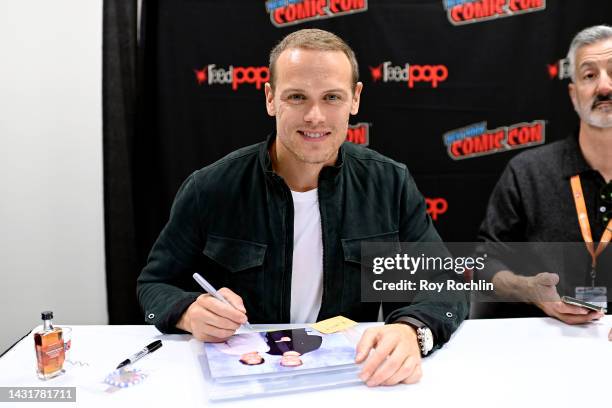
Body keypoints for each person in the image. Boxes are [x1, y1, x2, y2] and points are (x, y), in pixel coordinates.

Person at [137, 28, 468, 386]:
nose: (315, 116)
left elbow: (445, 282)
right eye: (296, 97)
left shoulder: (390, 184)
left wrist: (411, 330)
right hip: (245, 380)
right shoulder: (210, 187)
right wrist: (187, 312)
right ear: (270, 98)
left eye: (331, 97)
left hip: (349, 381)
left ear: (355, 99)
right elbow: (155, 284)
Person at [476, 25, 612, 323]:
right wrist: (530, 290)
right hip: (543, 344)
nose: (604, 87)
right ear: (574, 94)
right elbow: (485, 263)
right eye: (589, 75)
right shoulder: (527, 172)